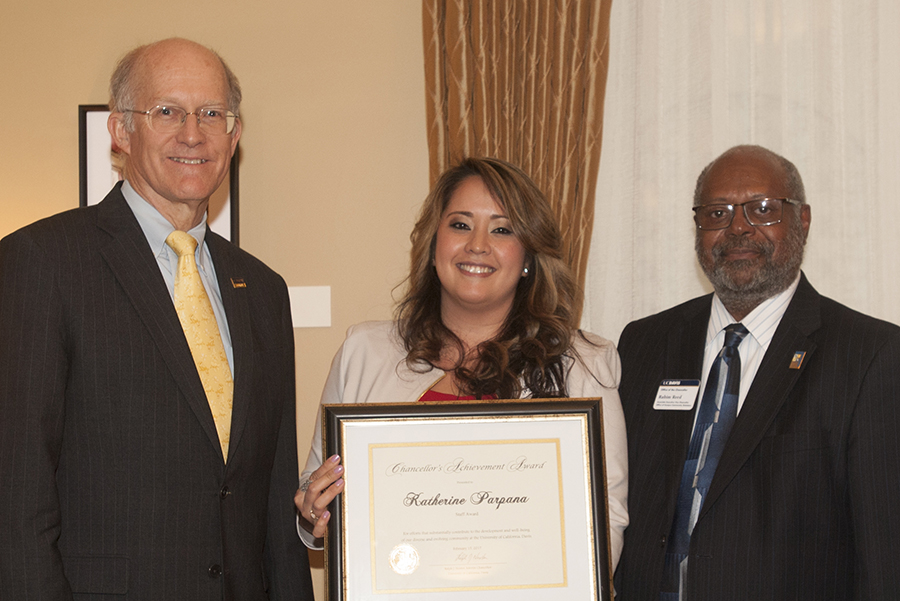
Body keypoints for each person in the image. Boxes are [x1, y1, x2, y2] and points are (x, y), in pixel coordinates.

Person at [0, 38, 313, 600]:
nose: (192, 133)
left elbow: (270, 500)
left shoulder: (264, 290)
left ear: (234, 135)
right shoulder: (41, 262)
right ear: (121, 131)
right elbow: (16, 492)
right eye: (166, 111)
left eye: (212, 114)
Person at [293, 156, 629, 567]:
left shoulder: (585, 365)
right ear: (434, 246)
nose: (477, 245)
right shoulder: (362, 351)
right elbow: (315, 501)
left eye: (502, 229)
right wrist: (313, 515)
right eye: (460, 224)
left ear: (527, 257)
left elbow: (606, 520)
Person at [614, 144, 900, 600]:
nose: (739, 227)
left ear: (802, 221)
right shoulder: (644, 343)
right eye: (717, 212)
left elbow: (886, 558)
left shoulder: (870, 355)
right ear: (697, 228)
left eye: (763, 210)